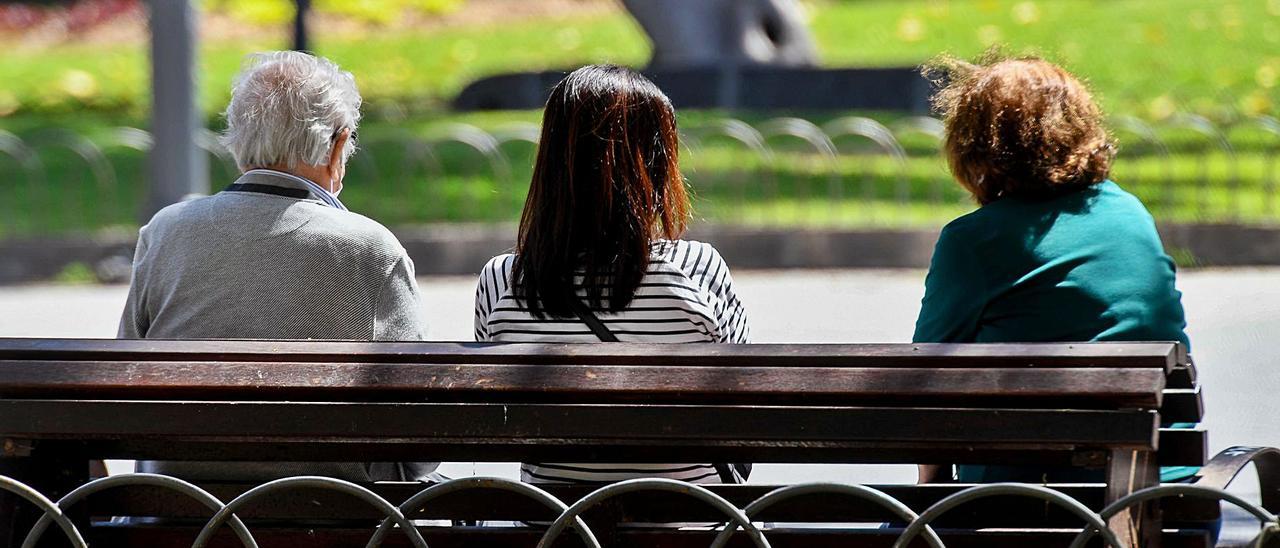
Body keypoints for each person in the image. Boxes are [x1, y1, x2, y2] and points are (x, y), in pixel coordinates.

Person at [118, 51, 434, 482]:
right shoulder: (372, 249)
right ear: (337, 145)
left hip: (182, 510)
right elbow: (417, 435)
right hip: (335, 516)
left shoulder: (165, 233)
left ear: (237, 139)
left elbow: (128, 391)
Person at [913, 54, 1193, 484]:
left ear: (975, 146)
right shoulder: (1130, 214)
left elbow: (926, 381)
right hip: (1159, 493)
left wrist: (929, 492)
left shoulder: (973, 241)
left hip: (1020, 504)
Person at [473, 65, 750, 484]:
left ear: (550, 164)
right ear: (657, 165)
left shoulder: (502, 280)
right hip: (690, 521)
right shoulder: (697, 268)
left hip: (552, 522)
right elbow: (739, 405)